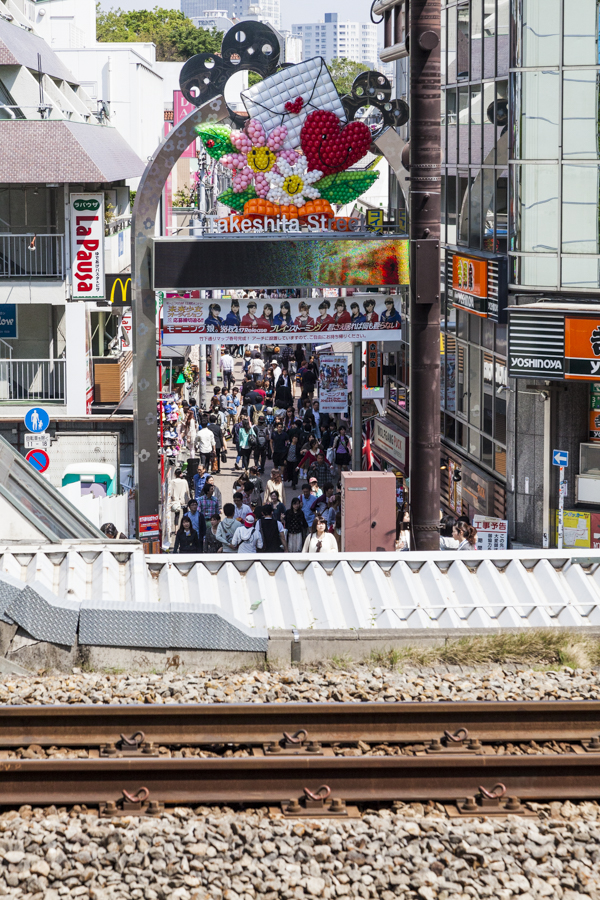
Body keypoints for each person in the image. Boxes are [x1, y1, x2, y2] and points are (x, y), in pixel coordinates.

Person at [169, 469, 189, 534]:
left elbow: (171, 491)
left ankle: (176, 529)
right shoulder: (184, 481)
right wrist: (189, 499)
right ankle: (185, 527)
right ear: (181, 474)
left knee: (177, 515)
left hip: (176, 501)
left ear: (175, 474)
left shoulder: (172, 482)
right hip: (184, 501)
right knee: (185, 514)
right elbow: (187, 491)